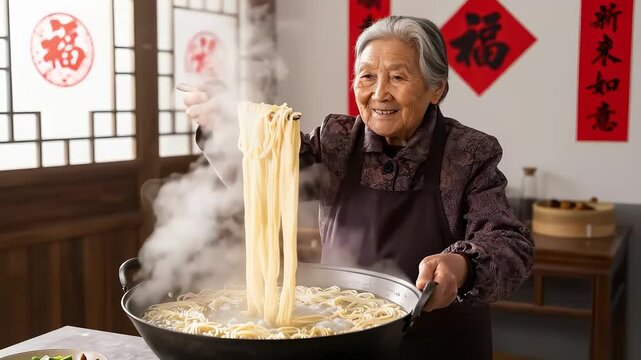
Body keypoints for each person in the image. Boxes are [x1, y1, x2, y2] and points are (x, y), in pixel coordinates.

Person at [185, 15, 534, 360]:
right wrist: (224, 128)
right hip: (341, 335)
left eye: (397, 77)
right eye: (367, 76)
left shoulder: (468, 152)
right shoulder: (336, 139)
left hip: (438, 341)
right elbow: (264, 175)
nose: (379, 93)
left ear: (436, 88)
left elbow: (509, 241)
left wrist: (461, 265)